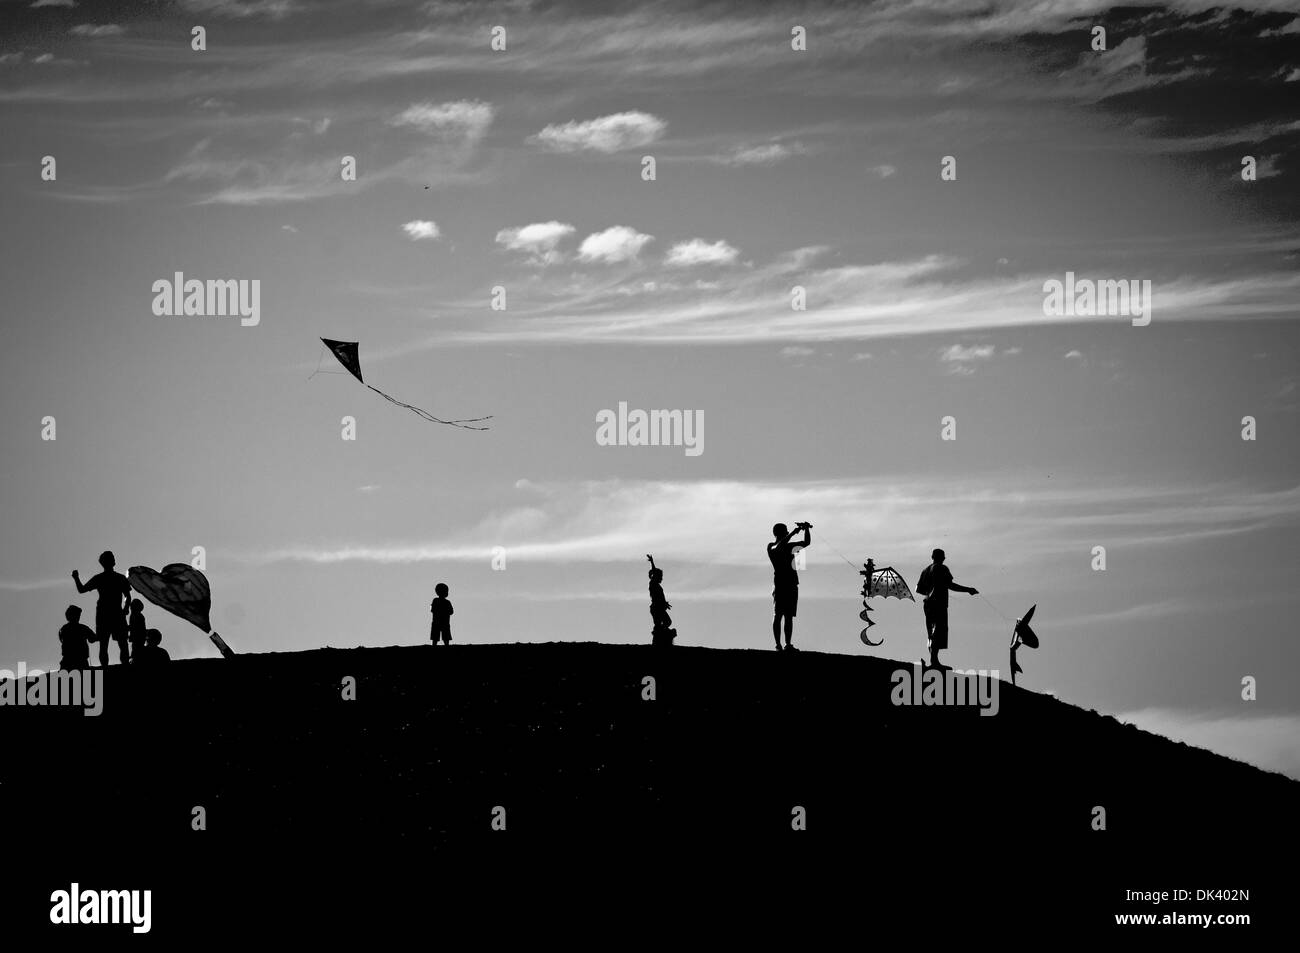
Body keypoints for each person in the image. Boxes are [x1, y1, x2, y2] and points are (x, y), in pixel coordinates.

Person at [915, 548, 978, 671]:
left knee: (931, 631)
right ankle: (934, 662)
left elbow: (918, 589)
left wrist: (930, 590)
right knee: (938, 631)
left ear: (932, 557)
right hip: (939, 603)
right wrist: (968, 590)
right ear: (942, 558)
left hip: (927, 603)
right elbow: (950, 585)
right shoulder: (942, 568)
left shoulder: (925, 570)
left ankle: (933, 660)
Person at [72, 551, 131, 667]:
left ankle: (121, 666)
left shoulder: (113, 578)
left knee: (117, 642)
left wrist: (126, 607)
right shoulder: (113, 578)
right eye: (111, 558)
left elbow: (128, 596)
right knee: (107, 643)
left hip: (111, 613)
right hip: (108, 613)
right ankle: (114, 667)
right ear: (106, 562)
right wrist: (76, 578)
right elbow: (82, 590)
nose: (114, 559)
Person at [767, 522, 811, 652]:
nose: (787, 533)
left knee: (789, 616)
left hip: (791, 584)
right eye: (785, 531)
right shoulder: (771, 546)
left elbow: (806, 542)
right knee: (778, 614)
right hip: (780, 585)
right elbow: (778, 547)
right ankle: (778, 645)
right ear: (781, 533)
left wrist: (806, 529)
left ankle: (787, 644)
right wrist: (793, 533)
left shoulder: (789, 546)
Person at [646, 555, 677, 647]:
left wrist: (665, 604)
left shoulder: (656, 585)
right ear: (656, 577)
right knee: (664, 623)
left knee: (664, 623)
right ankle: (661, 635)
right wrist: (652, 563)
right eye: (661, 576)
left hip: (658, 608)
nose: (662, 578)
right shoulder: (653, 584)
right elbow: (657, 598)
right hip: (656, 608)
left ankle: (661, 634)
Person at [58, 605, 95, 671]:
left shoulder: (63, 629)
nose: (79, 617)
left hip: (67, 662)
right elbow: (92, 639)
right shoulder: (83, 628)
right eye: (78, 615)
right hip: (81, 662)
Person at [127, 599, 148, 664]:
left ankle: (135, 661)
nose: (130, 607)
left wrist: (126, 628)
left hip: (138, 638)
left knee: (136, 650)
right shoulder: (136, 615)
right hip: (138, 638)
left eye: (132, 606)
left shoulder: (137, 616)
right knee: (136, 649)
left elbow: (135, 627)